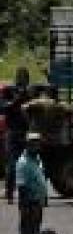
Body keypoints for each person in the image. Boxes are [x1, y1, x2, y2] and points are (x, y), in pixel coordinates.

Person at [15, 134, 47, 234]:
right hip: (29, 203)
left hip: (37, 203)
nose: (36, 146)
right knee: (26, 233)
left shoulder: (37, 158)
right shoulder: (23, 163)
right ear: (27, 145)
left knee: (35, 231)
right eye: (33, 143)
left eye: (38, 143)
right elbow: (22, 187)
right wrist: (25, 208)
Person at [4, 68, 31, 203]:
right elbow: (4, 108)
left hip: (26, 132)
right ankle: (9, 193)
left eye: (25, 78)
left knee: (27, 164)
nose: (23, 80)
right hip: (13, 132)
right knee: (13, 164)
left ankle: (24, 193)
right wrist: (17, 99)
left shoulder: (29, 93)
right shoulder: (9, 91)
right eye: (22, 78)